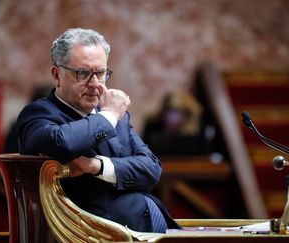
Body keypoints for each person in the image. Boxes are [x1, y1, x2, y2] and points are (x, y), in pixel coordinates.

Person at [16, 28, 180, 233]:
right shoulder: (38, 114)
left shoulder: (115, 117)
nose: (95, 84)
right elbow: (63, 142)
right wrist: (109, 115)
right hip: (88, 235)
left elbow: (151, 169)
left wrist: (96, 166)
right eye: (83, 73)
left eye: (100, 73)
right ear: (57, 75)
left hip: (144, 229)